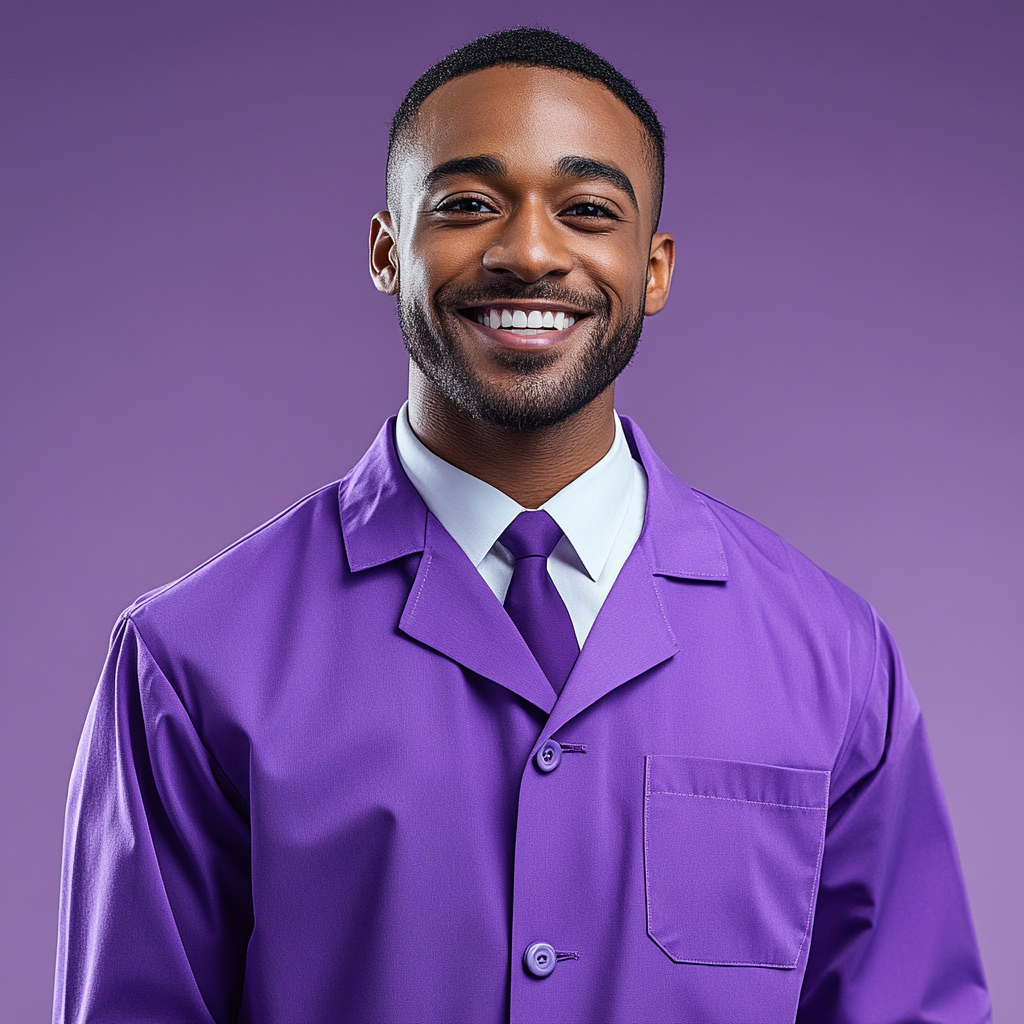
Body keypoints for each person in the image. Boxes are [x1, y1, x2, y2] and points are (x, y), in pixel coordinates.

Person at [54, 27, 990, 1024]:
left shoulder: (834, 657)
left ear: (654, 268)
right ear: (385, 249)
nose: (529, 251)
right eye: (466, 205)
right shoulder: (189, 659)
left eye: (587, 210)